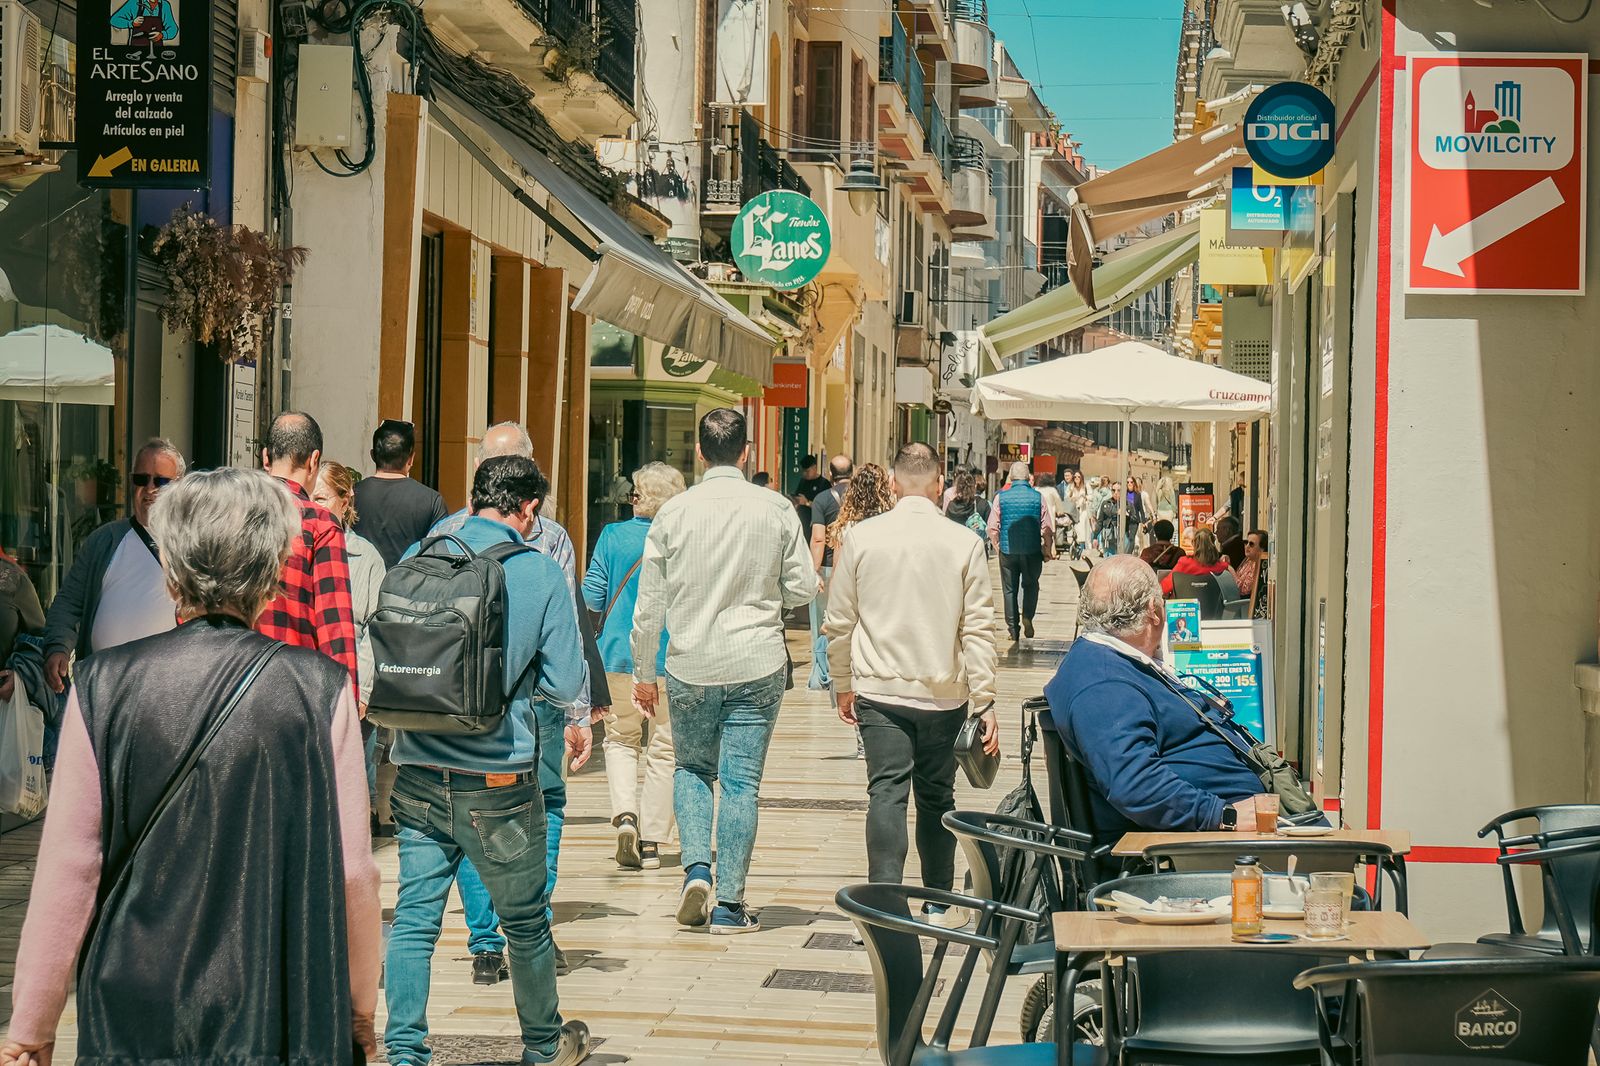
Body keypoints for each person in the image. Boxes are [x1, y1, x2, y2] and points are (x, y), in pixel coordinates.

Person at [2, 468, 381, 1064]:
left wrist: (31, 1026)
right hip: (277, 1001)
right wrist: (359, 1004)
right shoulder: (319, 689)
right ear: (272, 575)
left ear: (172, 570)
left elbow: (70, 865)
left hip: (135, 999)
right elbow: (354, 872)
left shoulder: (101, 684)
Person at [384, 455, 592, 1066]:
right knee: (524, 923)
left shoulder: (418, 557)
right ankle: (543, 1047)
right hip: (498, 779)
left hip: (418, 770)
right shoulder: (538, 571)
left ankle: (403, 1055)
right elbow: (563, 680)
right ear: (528, 509)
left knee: (416, 923)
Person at [431, 422, 608, 980]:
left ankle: (485, 946)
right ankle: (531, 926)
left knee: (465, 813)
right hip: (531, 706)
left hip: (453, 702)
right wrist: (579, 709)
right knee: (545, 806)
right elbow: (566, 632)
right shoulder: (549, 536)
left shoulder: (440, 535)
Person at [631, 408, 816, 934]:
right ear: (747, 452)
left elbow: (649, 607)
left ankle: (695, 869)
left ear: (697, 452)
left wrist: (645, 671)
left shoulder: (673, 514)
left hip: (691, 660)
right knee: (742, 783)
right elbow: (803, 587)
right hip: (757, 660)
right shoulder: (776, 508)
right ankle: (732, 906)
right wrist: (765, 594)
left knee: (692, 768)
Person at [827, 443, 999, 916]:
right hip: (945, 693)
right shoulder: (964, 543)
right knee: (937, 795)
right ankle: (938, 900)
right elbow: (979, 628)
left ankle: (884, 899)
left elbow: (839, 620)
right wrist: (985, 701)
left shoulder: (862, 537)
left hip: (879, 691)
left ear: (894, 482)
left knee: (886, 791)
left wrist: (842, 681)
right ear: (939, 484)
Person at [1044, 555, 1266, 844]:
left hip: (1231, 827)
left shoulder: (1118, 661)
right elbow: (1135, 784)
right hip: (1207, 847)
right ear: (1154, 612)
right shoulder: (1104, 684)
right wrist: (1224, 816)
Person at [582, 462, 685, 872]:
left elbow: (591, 595)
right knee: (666, 747)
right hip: (670, 658)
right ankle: (653, 841)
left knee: (621, 738)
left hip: (616, 655)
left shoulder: (613, 535)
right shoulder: (683, 538)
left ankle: (625, 816)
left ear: (641, 498)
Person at [41, 439, 185, 694]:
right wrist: (58, 647)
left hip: (165, 693)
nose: (150, 489)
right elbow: (68, 603)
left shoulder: (194, 547)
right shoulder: (104, 541)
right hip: (102, 692)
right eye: (142, 479)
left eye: (161, 481)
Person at [312, 460, 390, 835]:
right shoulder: (296, 546)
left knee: (355, 782)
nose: (316, 505)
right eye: (310, 497)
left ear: (346, 501)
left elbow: (375, 629)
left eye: (323, 498)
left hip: (352, 687)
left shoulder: (366, 558)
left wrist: (365, 689)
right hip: (308, 685)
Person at [257, 413, 359, 689]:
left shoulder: (226, 513)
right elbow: (334, 630)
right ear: (314, 461)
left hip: (227, 686)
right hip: (292, 688)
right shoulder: (319, 524)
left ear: (266, 458)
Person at [352, 419, 449, 569]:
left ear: (373, 455)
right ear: (411, 459)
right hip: (407, 589)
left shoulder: (350, 495)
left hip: (360, 587)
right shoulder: (431, 500)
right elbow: (440, 557)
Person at [989, 462, 1054, 642]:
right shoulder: (1038, 497)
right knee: (1031, 584)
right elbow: (1047, 527)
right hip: (1032, 549)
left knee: (1009, 590)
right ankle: (1028, 616)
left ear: (1011, 477)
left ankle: (1013, 629)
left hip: (1008, 550)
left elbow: (992, 527)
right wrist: (1047, 549)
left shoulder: (1000, 497)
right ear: (1028, 478)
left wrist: (998, 545)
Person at [806, 454, 854, 691]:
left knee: (822, 622)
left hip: (827, 567)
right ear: (852, 472)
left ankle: (822, 673)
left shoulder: (822, 499)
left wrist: (814, 572)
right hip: (856, 568)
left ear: (830, 473)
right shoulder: (861, 497)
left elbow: (818, 538)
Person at [1161, 528, 1231, 597]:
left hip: (1187, 606)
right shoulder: (1223, 567)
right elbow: (1230, 592)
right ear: (1213, 543)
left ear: (1193, 543)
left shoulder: (1185, 563)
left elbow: (1164, 588)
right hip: (1215, 607)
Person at [943, 468, 990, 544]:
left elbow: (946, 526)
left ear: (958, 487)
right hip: (976, 548)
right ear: (974, 486)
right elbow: (990, 529)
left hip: (955, 545)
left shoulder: (951, 505)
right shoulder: (983, 504)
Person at [791, 457, 832, 539]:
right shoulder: (803, 482)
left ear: (814, 468)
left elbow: (826, 508)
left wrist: (807, 503)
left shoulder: (824, 484)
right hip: (802, 521)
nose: (804, 474)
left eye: (807, 471)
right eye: (803, 471)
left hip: (816, 524)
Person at [1236, 529, 1271, 620]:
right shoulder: (1247, 561)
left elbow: (1243, 590)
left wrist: (1230, 570)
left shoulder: (1259, 566)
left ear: (1262, 549)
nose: (1247, 546)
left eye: (1251, 544)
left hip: (1245, 609)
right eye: (1246, 542)